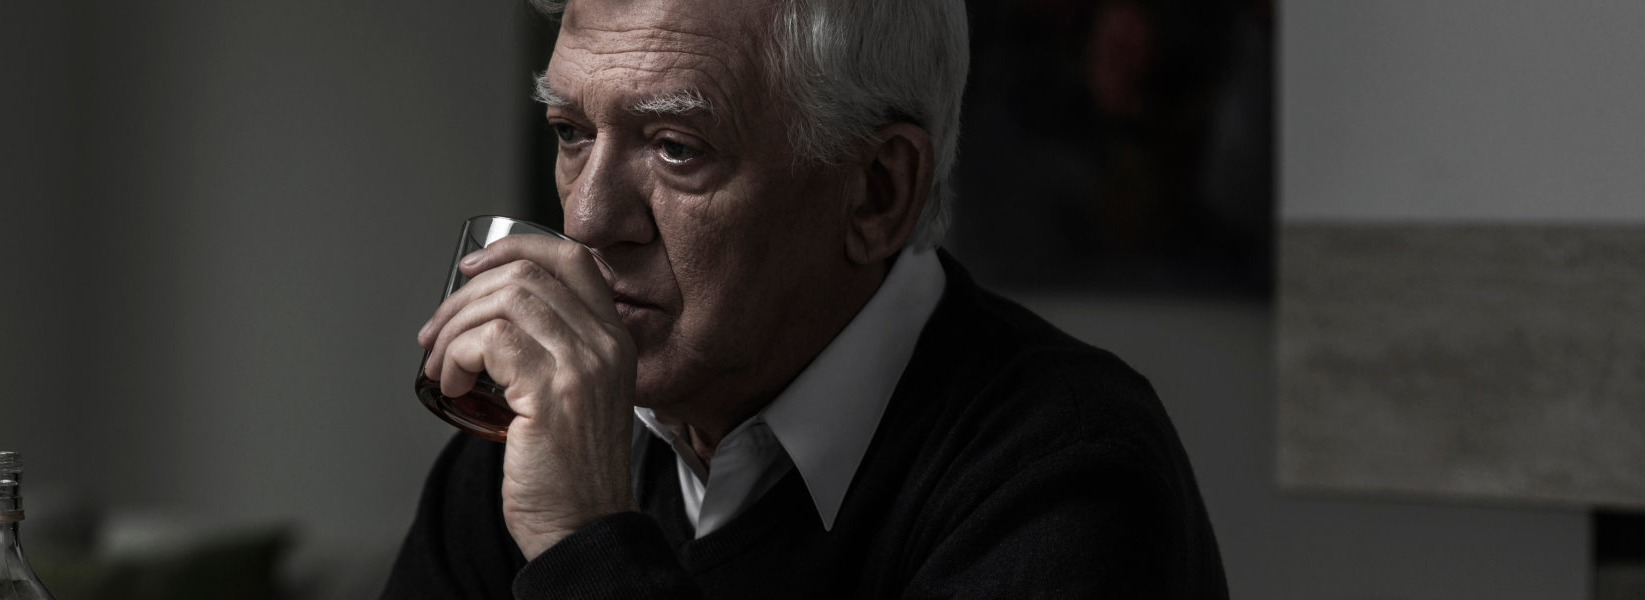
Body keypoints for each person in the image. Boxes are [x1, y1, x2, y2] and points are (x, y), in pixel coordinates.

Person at [383, 0, 1227, 597]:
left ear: (876, 194)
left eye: (677, 147)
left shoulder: (1065, 471)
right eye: (571, 132)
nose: (589, 217)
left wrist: (581, 544)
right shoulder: (529, 434)